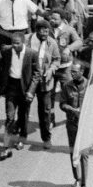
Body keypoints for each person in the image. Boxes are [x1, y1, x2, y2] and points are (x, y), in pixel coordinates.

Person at [0, 32, 38, 160]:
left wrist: (31, 91)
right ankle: (6, 148)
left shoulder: (32, 54)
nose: (14, 45)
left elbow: (37, 74)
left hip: (25, 89)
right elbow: (0, 66)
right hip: (11, 87)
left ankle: (22, 137)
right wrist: (1, 86)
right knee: (9, 117)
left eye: (17, 43)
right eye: (12, 43)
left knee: (23, 116)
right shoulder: (6, 51)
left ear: (23, 42)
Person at [27, 20, 61, 150]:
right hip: (29, 80)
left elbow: (57, 60)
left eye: (47, 32)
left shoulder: (52, 43)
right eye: (42, 32)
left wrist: (51, 69)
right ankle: (21, 136)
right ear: (37, 31)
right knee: (25, 109)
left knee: (45, 111)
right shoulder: (27, 40)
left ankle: (46, 138)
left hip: (45, 82)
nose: (45, 34)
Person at [59, 61, 89, 187]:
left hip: (85, 125)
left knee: (84, 155)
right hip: (72, 124)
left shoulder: (89, 85)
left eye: (75, 71)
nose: (72, 73)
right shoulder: (67, 86)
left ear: (82, 71)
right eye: (71, 71)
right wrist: (72, 109)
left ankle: (84, 184)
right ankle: (77, 178)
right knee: (73, 153)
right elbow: (62, 104)